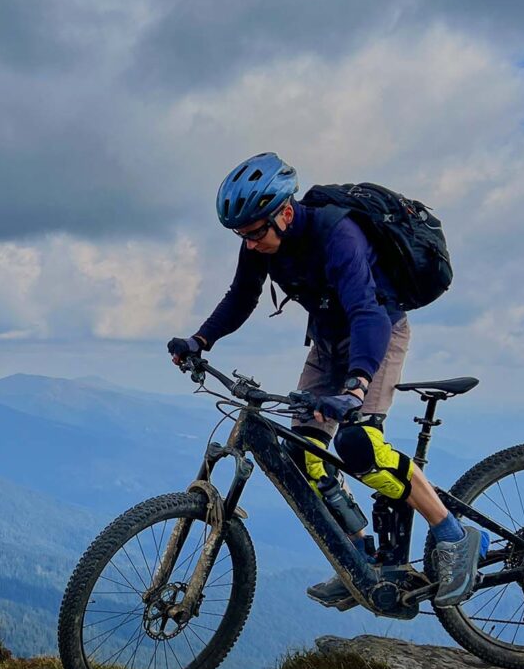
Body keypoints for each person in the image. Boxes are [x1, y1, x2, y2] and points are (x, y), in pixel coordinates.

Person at [168, 152, 486, 610]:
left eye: (256, 233)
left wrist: (355, 388)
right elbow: (241, 296)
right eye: (242, 236)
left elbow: (367, 313)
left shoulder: (339, 236)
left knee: (360, 446)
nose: (250, 244)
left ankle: (453, 535)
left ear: (285, 211)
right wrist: (200, 340)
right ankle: (359, 560)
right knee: (303, 453)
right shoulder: (260, 240)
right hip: (327, 343)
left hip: (377, 335)